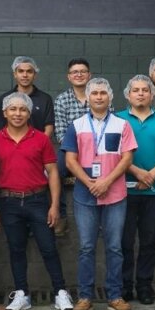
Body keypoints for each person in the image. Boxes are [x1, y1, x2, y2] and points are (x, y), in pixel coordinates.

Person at [0, 92, 73, 310]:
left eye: (22, 109)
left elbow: (53, 173)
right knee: (16, 249)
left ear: (29, 113)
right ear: (5, 113)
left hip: (37, 200)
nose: (18, 113)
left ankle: (60, 292)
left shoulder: (41, 138)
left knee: (48, 247)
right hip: (8, 202)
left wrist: (54, 205)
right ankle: (21, 294)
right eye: (13, 109)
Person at [63, 77, 137, 310]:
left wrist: (106, 181)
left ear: (110, 97)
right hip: (85, 195)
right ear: (88, 97)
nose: (98, 97)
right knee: (86, 247)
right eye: (94, 93)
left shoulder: (122, 124)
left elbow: (127, 158)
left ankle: (115, 296)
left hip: (115, 194)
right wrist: (90, 183)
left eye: (103, 93)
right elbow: (70, 160)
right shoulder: (76, 125)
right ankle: (85, 297)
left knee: (114, 247)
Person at [115, 75, 155, 304]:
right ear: (128, 95)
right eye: (135, 90)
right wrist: (138, 172)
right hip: (124, 191)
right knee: (125, 242)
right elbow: (116, 155)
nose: (140, 93)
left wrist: (151, 176)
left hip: (154, 191)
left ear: (152, 94)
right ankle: (125, 286)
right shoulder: (118, 119)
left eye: (144, 90)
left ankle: (145, 286)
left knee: (149, 241)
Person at [52, 58, 93, 235]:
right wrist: (78, 150)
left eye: (82, 71)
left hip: (97, 148)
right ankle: (61, 216)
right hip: (70, 149)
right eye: (75, 72)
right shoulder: (62, 100)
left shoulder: (99, 95)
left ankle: (99, 214)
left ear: (89, 75)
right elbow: (60, 134)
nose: (79, 74)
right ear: (69, 77)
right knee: (55, 171)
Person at [0, 56, 55, 136]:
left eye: (29, 71)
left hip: (38, 146)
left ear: (35, 75)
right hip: (11, 146)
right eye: (21, 71)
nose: (25, 75)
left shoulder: (45, 99)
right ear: (15, 74)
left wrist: (39, 145)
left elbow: (49, 127)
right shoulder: (5, 98)